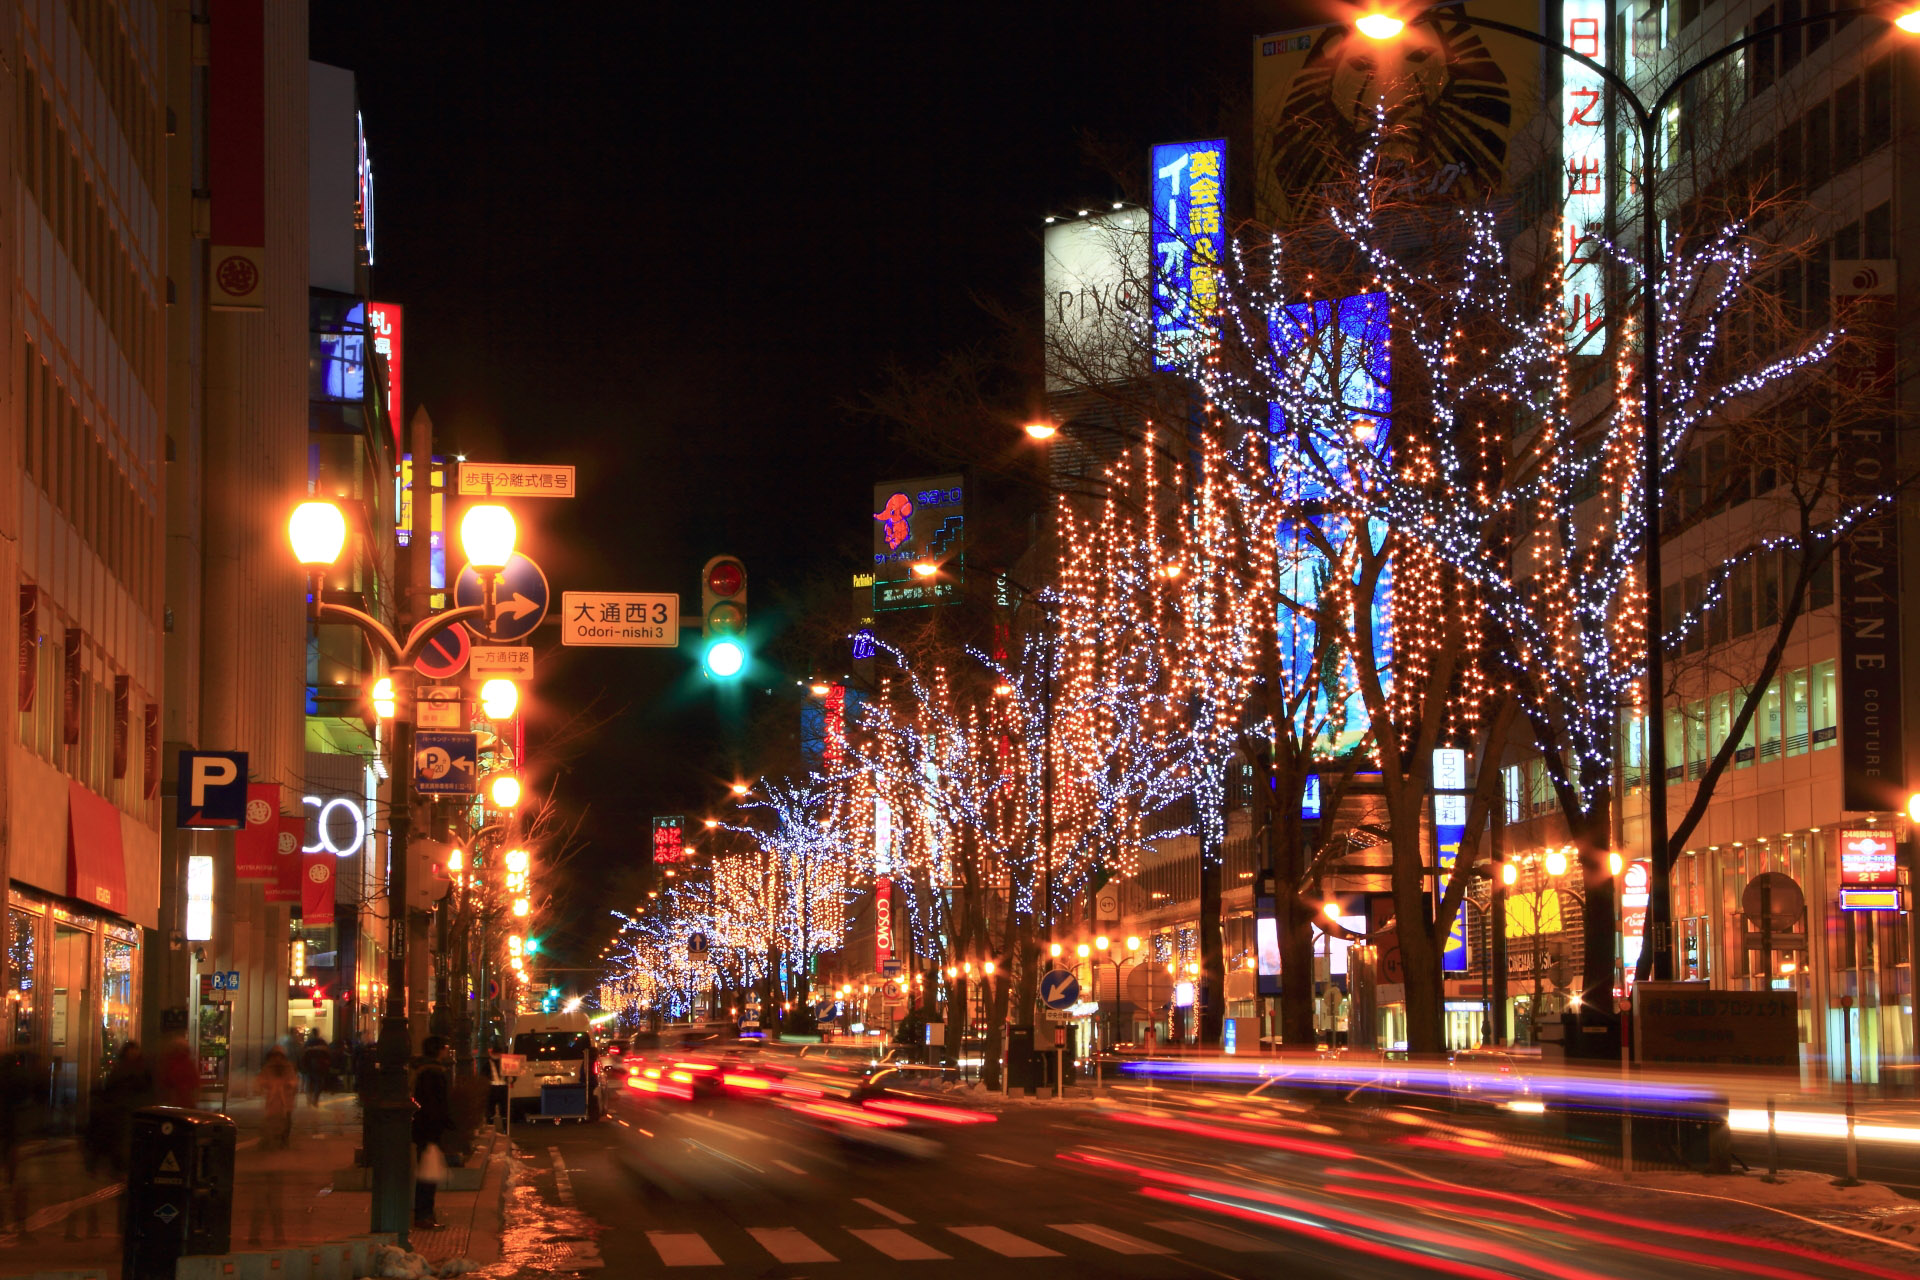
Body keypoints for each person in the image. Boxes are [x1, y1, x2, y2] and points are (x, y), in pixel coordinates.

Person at [410, 1036, 454, 1230]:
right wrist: (445, 1123)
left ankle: (424, 1213)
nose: (447, 1051)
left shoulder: (421, 1069)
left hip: (422, 1127)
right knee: (428, 1173)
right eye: (445, 1047)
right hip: (430, 1129)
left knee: (427, 1171)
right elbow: (435, 1104)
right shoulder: (433, 1072)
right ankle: (424, 1214)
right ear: (438, 1050)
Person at [258, 1046, 297, 1149]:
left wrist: (288, 1085)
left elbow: (293, 1080)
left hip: (285, 1098)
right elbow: (261, 1080)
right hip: (273, 1099)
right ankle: (268, 1139)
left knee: (287, 1119)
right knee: (270, 1119)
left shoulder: (288, 1067)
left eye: (279, 1056)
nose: (277, 1059)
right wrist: (266, 1085)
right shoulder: (268, 1067)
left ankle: (284, 1139)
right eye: (275, 1056)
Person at [299, 1032, 331, 1108]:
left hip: (309, 1066)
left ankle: (309, 1098)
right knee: (319, 1083)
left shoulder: (307, 1043)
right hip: (320, 1067)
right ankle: (315, 1099)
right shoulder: (322, 1043)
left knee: (309, 1082)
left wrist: (303, 1066)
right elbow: (328, 1055)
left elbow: (303, 1055)